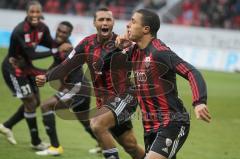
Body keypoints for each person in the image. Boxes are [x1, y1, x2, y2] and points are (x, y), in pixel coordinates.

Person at [36, 7, 145, 159]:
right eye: (101, 19)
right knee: (130, 146)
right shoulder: (87, 44)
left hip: (124, 97)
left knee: (97, 124)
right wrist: (46, 77)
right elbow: (67, 65)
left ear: (113, 23)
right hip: (104, 101)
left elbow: (144, 63)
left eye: (108, 19)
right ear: (94, 23)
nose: (105, 22)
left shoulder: (124, 43)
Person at [115, 9, 211, 159]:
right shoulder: (134, 51)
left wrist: (199, 102)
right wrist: (118, 48)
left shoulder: (159, 52)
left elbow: (191, 72)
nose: (128, 25)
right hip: (149, 127)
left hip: (172, 122)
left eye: (133, 22)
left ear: (146, 29)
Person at [0, 0, 70, 150]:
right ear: (26, 13)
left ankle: (6, 126)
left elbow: (52, 44)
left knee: (35, 102)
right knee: (31, 102)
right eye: (32, 12)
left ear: (41, 12)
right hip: (14, 68)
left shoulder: (43, 28)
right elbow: (31, 53)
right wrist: (56, 51)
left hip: (27, 67)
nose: (35, 15)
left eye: (37, 12)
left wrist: (67, 46)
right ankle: (36, 141)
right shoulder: (20, 30)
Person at [35, 21, 101, 156]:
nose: (60, 33)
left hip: (77, 88)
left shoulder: (67, 49)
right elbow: (55, 64)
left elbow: (62, 70)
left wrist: (46, 77)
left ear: (69, 34)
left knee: (46, 106)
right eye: (59, 30)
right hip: (81, 88)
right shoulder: (58, 46)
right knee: (84, 121)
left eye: (64, 32)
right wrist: (43, 74)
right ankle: (103, 143)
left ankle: (55, 147)